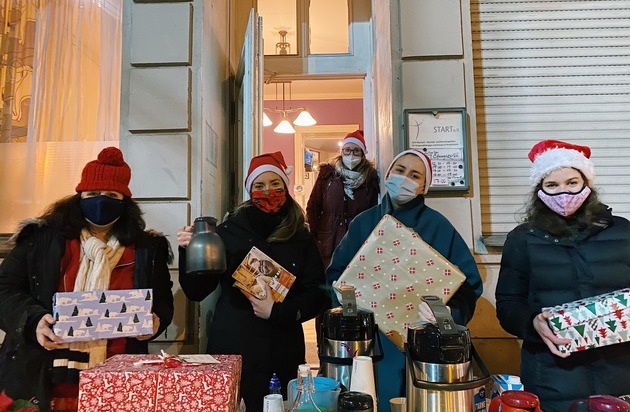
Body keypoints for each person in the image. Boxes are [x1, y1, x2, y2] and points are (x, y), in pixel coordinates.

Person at [0, 147, 174, 412]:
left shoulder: (147, 248)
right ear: (79, 196)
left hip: (120, 379)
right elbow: (5, 289)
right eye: (92, 194)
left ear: (125, 201)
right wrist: (33, 321)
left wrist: (156, 320)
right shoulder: (41, 239)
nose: (101, 201)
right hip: (42, 376)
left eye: (111, 195)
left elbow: (162, 300)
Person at [326, 149, 483, 411]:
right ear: (388, 174)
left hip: (424, 350)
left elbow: (468, 286)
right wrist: (346, 301)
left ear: (424, 186)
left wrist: (447, 315)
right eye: (400, 170)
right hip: (369, 345)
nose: (405, 179)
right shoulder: (363, 223)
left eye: (415, 175)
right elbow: (335, 276)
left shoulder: (439, 226)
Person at [177, 151, 331, 412]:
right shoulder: (227, 232)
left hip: (283, 350)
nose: (268, 191)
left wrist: (279, 311)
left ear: (285, 187)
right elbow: (197, 291)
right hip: (234, 348)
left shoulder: (300, 236)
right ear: (249, 190)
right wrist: (189, 252)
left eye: (275, 184)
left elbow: (318, 293)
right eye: (259, 185)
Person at [495, 139, 630, 412]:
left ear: (586, 184)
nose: (563, 192)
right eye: (552, 185)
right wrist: (532, 323)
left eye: (572, 182)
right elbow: (509, 305)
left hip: (620, 375)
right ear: (540, 190)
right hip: (551, 378)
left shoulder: (623, 232)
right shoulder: (523, 239)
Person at [306, 129, 379, 269]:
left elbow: (373, 212)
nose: (351, 155)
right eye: (347, 150)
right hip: (328, 242)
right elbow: (313, 207)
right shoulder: (327, 175)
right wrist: (315, 236)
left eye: (356, 151)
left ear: (363, 153)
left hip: (358, 241)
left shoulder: (371, 178)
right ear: (342, 151)